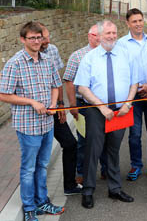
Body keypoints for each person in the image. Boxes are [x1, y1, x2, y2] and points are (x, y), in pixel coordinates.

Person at [0, 22, 64, 221]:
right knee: (29, 168)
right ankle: (29, 207)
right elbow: (4, 94)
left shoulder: (47, 60)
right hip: (28, 126)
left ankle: (42, 201)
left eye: (39, 37)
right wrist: (31, 102)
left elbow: (56, 85)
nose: (37, 41)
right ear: (23, 39)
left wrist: (53, 104)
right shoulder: (14, 63)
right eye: (32, 38)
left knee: (43, 165)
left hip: (47, 124)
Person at [75, 20, 139, 209]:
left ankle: (115, 189)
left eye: (114, 33)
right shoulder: (90, 58)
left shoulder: (126, 55)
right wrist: (102, 107)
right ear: (99, 36)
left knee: (113, 150)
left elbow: (134, 82)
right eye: (107, 33)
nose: (111, 36)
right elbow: (83, 88)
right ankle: (88, 190)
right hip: (97, 111)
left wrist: (128, 103)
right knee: (93, 150)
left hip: (120, 112)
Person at [118, 8, 147, 180]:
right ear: (128, 23)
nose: (138, 24)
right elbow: (121, 69)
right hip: (132, 95)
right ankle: (136, 165)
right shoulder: (121, 43)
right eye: (134, 21)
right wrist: (134, 88)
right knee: (134, 134)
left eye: (140, 20)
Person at [63, 24, 107, 184]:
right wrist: (73, 105)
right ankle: (81, 172)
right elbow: (68, 80)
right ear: (89, 36)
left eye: (100, 34)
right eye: (96, 35)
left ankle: (106, 170)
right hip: (84, 104)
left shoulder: (108, 53)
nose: (99, 37)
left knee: (106, 138)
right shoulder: (77, 56)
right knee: (84, 139)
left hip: (105, 104)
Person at [40, 26, 81, 196]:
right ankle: (38, 196)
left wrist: (61, 105)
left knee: (70, 143)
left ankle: (69, 185)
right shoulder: (22, 59)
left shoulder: (52, 49)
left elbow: (57, 80)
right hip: (37, 112)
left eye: (48, 37)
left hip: (54, 108)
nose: (47, 41)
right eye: (43, 38)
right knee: (39, 156)